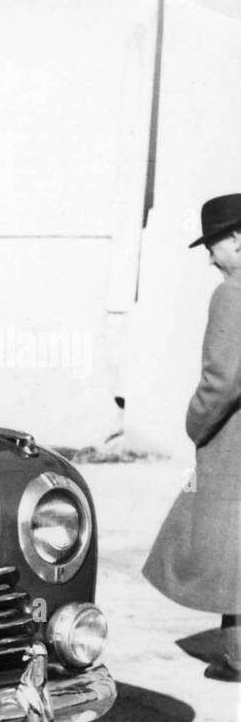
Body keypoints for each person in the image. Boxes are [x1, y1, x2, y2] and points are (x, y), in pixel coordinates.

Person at [143, 192, 241, 682]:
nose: (209, 257)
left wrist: (195, 424)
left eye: (214, 244)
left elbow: (222, 380)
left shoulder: (233, 292)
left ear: (238, 240)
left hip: (235, 445)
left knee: (228, 552)